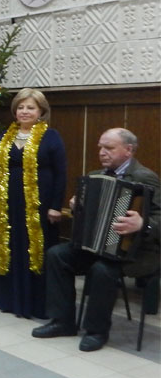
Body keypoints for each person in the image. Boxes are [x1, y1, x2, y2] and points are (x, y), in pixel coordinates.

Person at [32, 128, 160, 351]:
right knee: (56, 255)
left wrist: (143, 224)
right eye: (100, 147)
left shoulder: (144, 177)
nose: (102, 152)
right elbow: (88, 217)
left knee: (102, 269)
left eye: (109, 148)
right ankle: (63, 321)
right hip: (97, 246)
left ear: (128, 150)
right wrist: (77, 207)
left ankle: (96, 331)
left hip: (136, 251)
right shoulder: (94, 175)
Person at [0, 87, 66, 319]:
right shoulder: (5, 136)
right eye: (21, 107)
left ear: (41, 111)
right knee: (10, 248)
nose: (25, 111)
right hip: (8, 205)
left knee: (35, 251)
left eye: (30, 107)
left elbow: (61, 174)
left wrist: (55, 206)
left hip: (39, 205)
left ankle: (35, 304)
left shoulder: (51, 137)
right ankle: (8, 299)